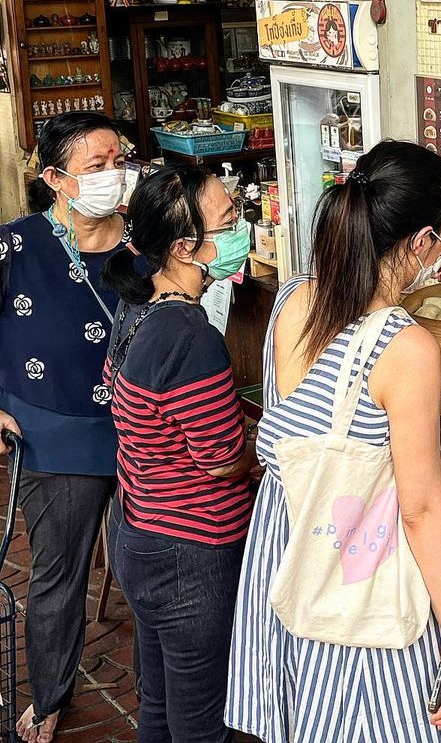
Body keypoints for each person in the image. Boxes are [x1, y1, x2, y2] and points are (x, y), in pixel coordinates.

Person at [226, 140, 441, 742]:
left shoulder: (292, 300)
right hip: (358, 580)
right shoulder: (405, 348)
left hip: (283, 559)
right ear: (420, 243)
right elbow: (419, 509)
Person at [102, 167, 257, 743]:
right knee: (200, 723)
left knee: (161, 707)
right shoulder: (192, 337)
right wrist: (262, 454)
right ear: (186, 248)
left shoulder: (134, 307)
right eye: (229, 221)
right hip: (189, 550)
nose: (240, 227)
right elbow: (220, 459)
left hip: (138, 528)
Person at [0, 112, 128, 743]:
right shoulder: (16, 244)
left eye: (118, 161)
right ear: (55, 178)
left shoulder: (149, 244)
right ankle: (49, 696)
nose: (114, 176)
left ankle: (171, 693)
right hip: (53, 435)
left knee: (154, 569)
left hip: (146, 433)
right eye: (95, 167)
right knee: (58, 576)